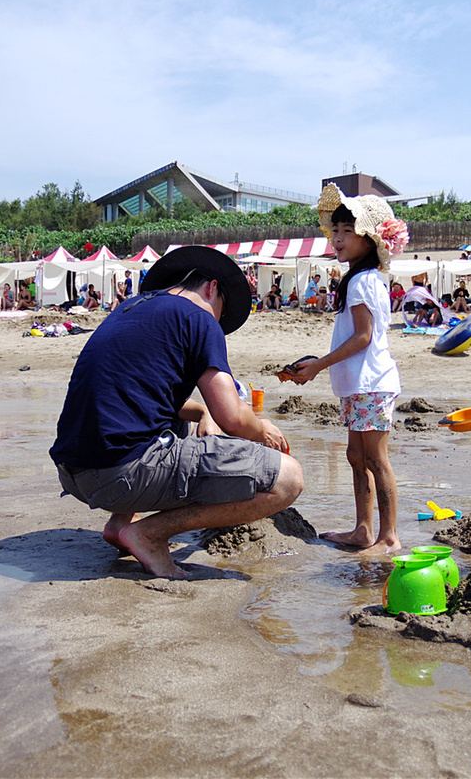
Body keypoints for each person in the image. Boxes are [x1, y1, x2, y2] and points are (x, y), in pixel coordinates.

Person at [50, 246, 302, 579]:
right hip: (118, 475)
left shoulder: (130, 308)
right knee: (288, 478)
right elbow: (231, 417)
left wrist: (200, 414)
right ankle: (149, 533)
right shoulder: (199, 316)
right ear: (212, 289)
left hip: (75, 472)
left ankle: (119, 524)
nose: (217, 322)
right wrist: (262, 429)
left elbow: (142, 396)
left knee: (171, 424)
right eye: (221, 312)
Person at [290, 184, 406, 555]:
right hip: (361, 384)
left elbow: (363, 337)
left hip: (372, 383)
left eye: (347, 231)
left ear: (370, 240)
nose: (337, 238)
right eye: (335, 230)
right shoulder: (358, 278)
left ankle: (388, 536)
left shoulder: (363, 280)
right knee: (356, 457)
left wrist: (317, 367)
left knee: (375, 458)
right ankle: (362, 529)